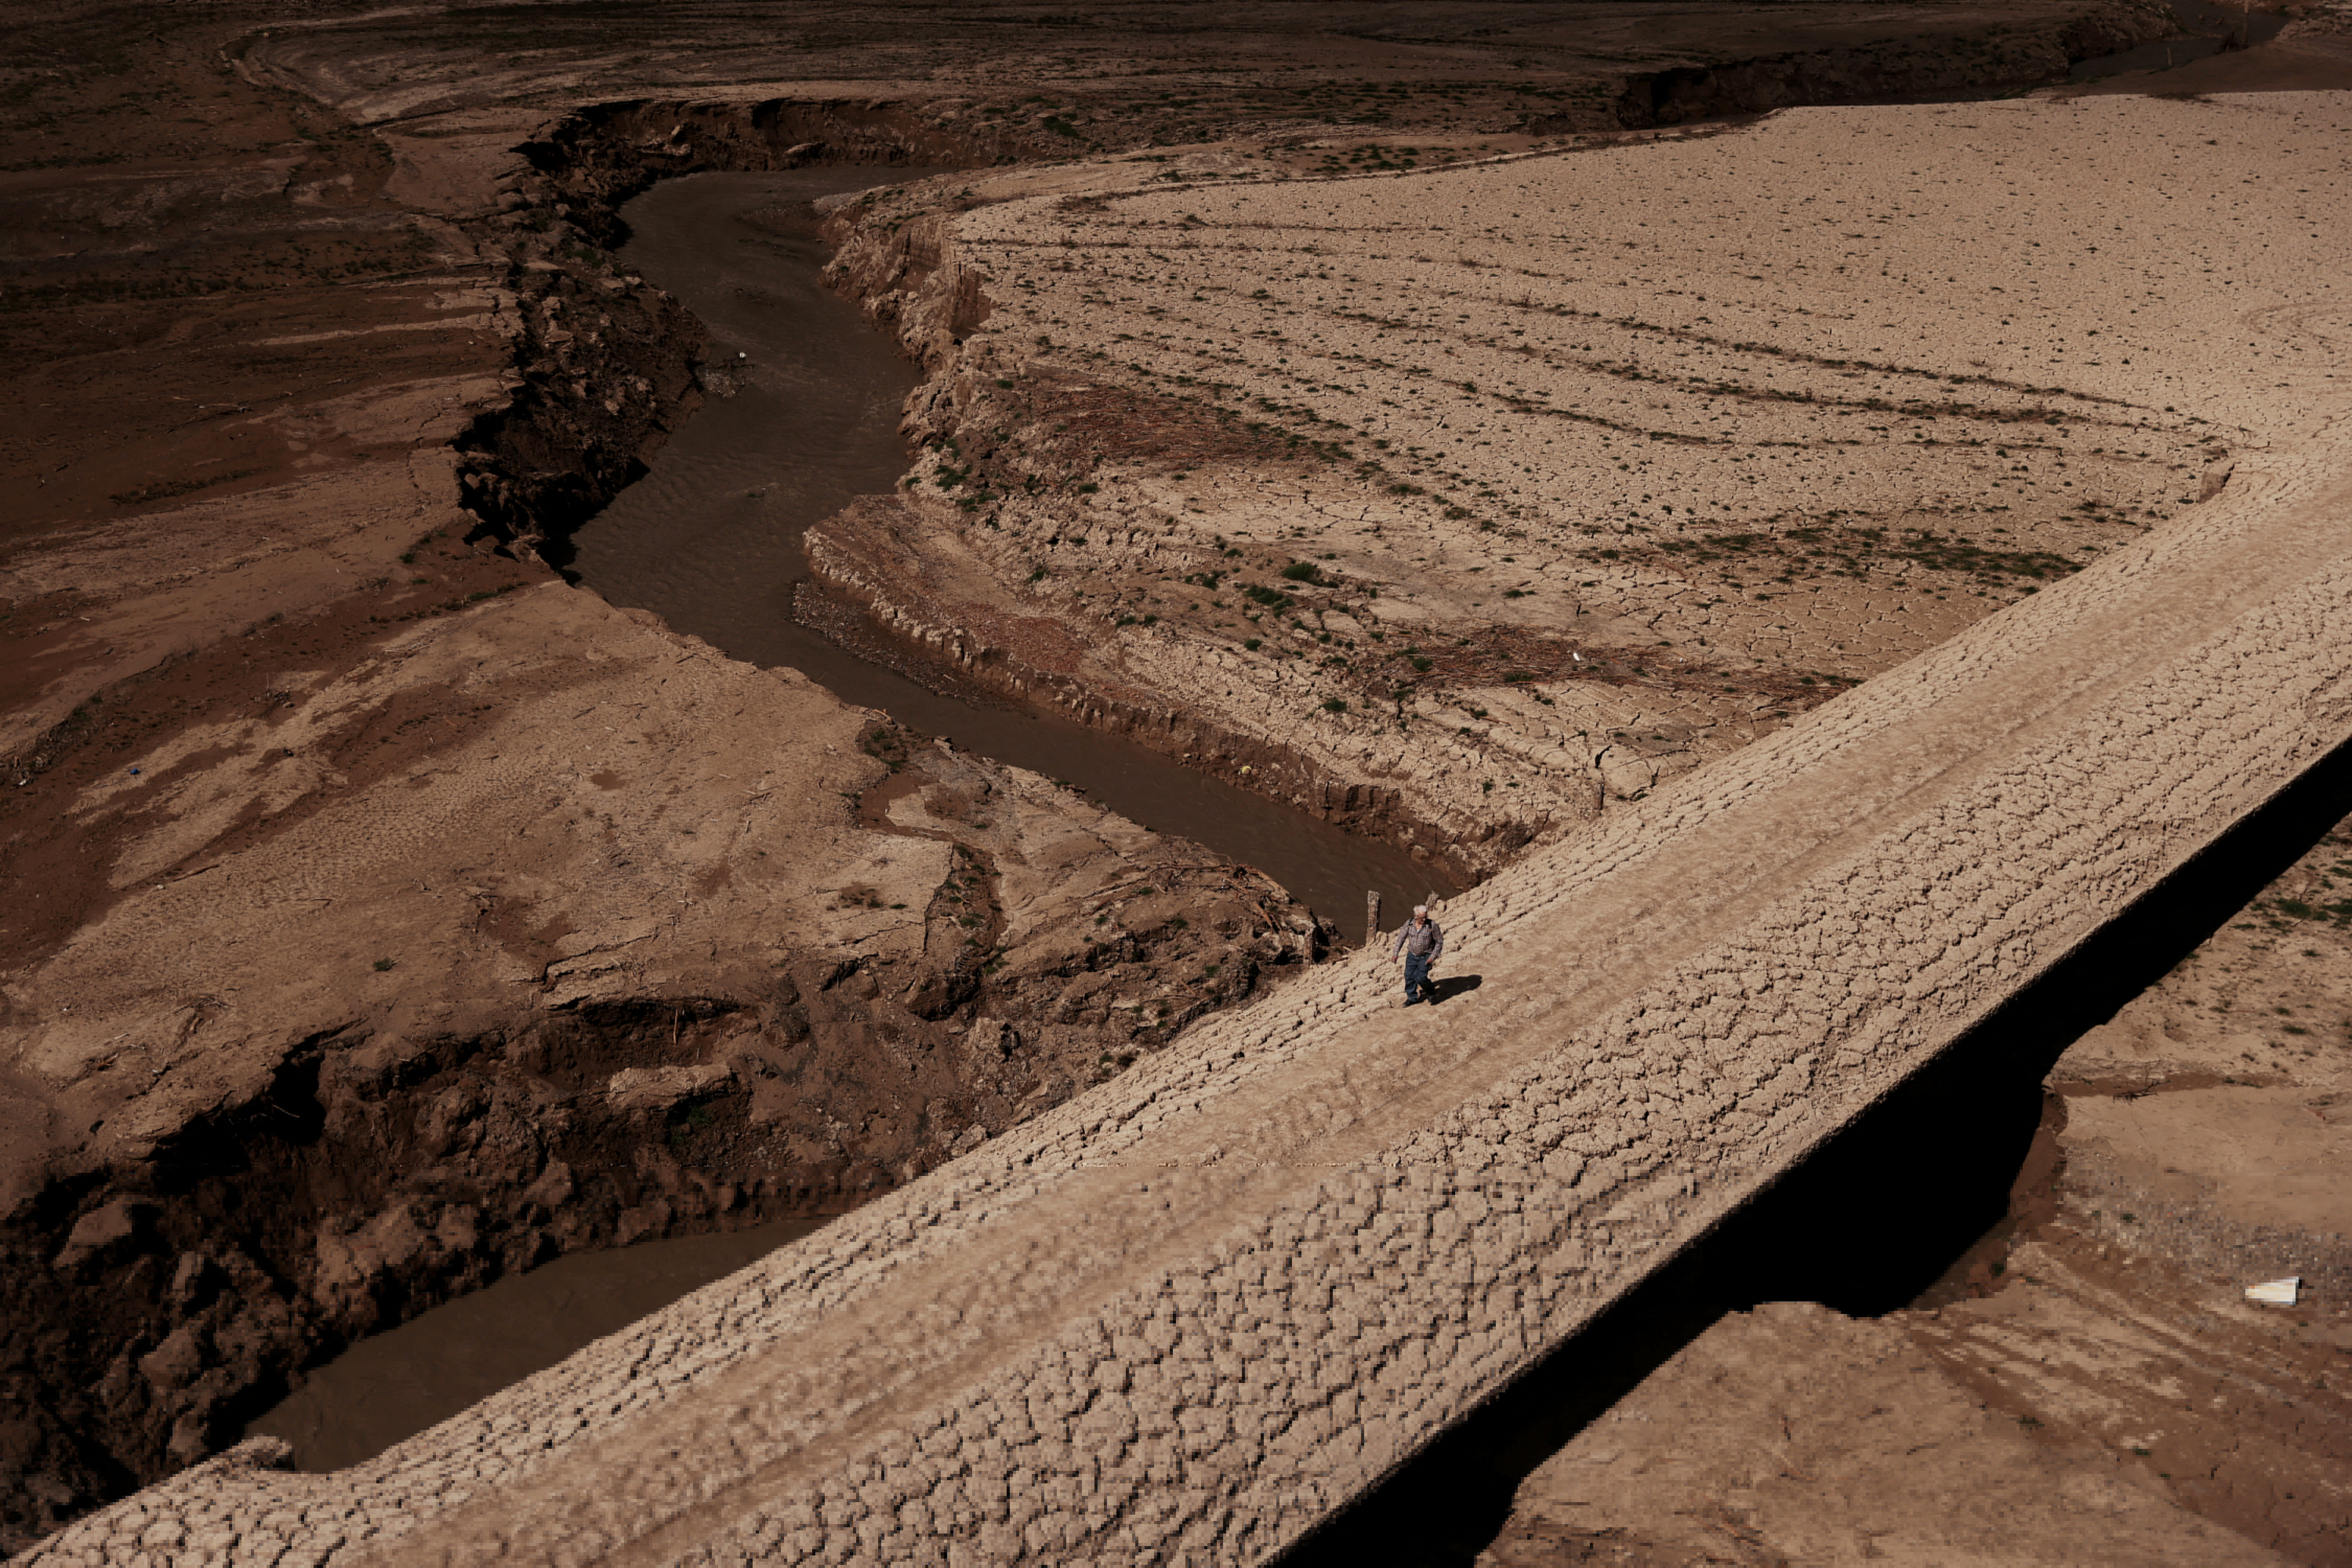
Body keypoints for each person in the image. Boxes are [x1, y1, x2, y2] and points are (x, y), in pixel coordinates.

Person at [1388, 903, 1444, 1006]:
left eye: (1426, 917)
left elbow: (1439, 942)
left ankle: (1431, 992)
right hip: (1412, 955)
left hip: (1426, 956)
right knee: (1409, 976)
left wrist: (1433, 957)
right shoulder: (1409, 924)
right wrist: (1396, 954)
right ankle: (1412, 998)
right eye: (1422, 918)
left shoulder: (1433, 926)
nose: (1424, 920)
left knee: (1421, 978)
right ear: (1416, 917)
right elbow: (1401, 938)